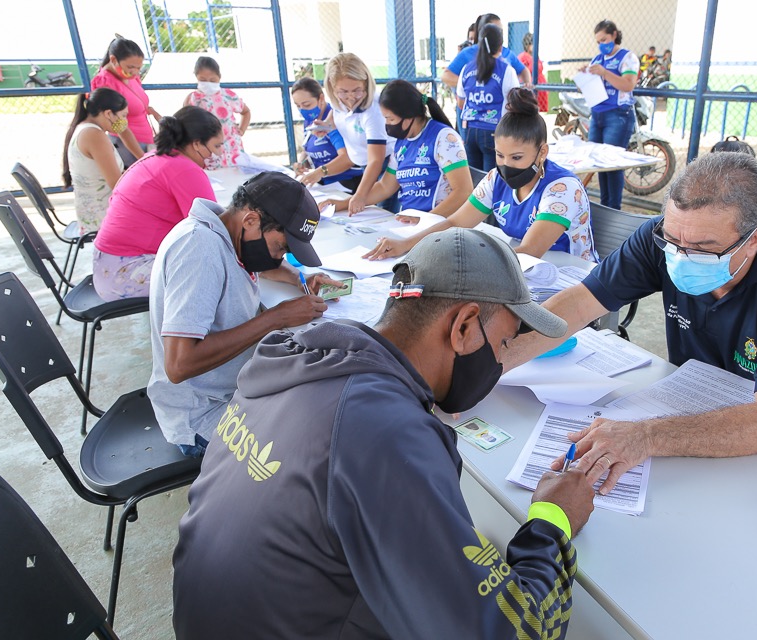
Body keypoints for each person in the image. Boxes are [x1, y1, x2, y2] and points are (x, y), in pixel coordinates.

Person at [172, 227, 596, 639]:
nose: (502, 358)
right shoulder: (385, 433)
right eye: (505, 343)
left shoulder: (291, 358)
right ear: (464, 326)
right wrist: (553, 517)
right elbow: (513, 629)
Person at [503, 152, 757, 494]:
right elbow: (576, 305)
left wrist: (645, 435)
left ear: (755, 239)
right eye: (673, 241)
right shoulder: (661, 236)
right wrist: (486, 365)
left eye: (703, 249)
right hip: (695, 404)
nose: (681, 255)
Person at [149, 172, 342, 456]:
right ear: (251, 220)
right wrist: (275, 318)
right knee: (317, 444)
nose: (278, 257)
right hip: (204, 413)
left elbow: (256, 261)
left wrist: (301, 278)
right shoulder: (198, 249)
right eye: (281, 248)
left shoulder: (226, 232)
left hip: (232, 389)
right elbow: (179, 364)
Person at [366, 89, 595, 262]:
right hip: (523, 271)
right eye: (499, 155)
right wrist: (405, 245)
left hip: (570, 279)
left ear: (542, 152)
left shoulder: (562, 189)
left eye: (516, 158)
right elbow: (456, 222)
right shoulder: (496, 179)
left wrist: (468, 266)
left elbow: (529, 252)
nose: (505, 165)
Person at [92, 106, 223, 301]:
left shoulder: (157, 157)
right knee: (219, 273)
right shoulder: (184, 169)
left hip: (108, 267)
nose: (219, 154)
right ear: (197, 144)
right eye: (217, 146)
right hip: (126, 273)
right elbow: (216, 230)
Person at [326, 80, 472, 215]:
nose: (387, 124)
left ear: (408, 117)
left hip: (437, 227)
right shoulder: (402, 142)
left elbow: (463, 191)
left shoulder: (444, 137)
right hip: (409, 222)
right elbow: (385, 186)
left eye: (391, 119)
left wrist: (427, 221)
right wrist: (345, 203)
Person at [322, 52, 395, 215]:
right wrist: (326, 126)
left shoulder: (373, 110)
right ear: (332, 88)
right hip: (366, 165)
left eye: (357, 90)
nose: (350, 97)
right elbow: (336, 115)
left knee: (382, 214)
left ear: (366, 83)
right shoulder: (338, 103)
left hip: (386, 164)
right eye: (343, 92)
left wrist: (360, 195)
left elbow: (376, 159)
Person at [581, 20, 638, 210]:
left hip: (618, 115)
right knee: (599, 164)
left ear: (614, 35)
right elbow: (588, 86)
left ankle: (613, 208)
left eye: (604, 39)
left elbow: (628, 85)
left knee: (612, 165)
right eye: (598, 41)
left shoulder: (627, 57)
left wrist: (605, 73)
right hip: (597, 115)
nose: (601, 44)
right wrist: (584, 75)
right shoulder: (597, 59)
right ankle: (605, 206)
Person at [61, 88, 126, 234]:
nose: (124, 121)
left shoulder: (85, 128)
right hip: (102, 217)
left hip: (92, 213)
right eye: (123, 115)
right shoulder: (94, 135)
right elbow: (117, 184)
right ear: (108, 113)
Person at [90, 37, 161, 167]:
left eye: (138, 68)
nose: (134, 72)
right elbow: (119, 126)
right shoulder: (105, 83)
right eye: (130, 67)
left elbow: (140, 103)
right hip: (128, 148)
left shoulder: (130, 76)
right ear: (113, 60)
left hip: (145, 143)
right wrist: (142, 158)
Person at [457, 23, 519, 171]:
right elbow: (515, 104)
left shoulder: (466, 69)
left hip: (469, 132)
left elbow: (460, 102)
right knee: (490, 181)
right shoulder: (506, 70)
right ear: (500, 45)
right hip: (494, 131)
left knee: (474, 180)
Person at [289, 77, 362, 191]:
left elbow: (346, 158)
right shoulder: (309, 121)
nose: (302, 110)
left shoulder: (333, 119)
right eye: (298, 106)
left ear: (321, 98)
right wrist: (301, 164)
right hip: (325, 183)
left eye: (307, 104)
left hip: (347, 183)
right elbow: (307, 150)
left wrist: (320, 172)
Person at [183, 56, 251, 168]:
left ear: (219, 77)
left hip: (232, 148)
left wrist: (242, 129)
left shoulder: (228, 95)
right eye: (203, 80)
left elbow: (246, 111)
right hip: (207, 150)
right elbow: (186, 123)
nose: (208, 83)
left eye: (213, 80)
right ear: (196, 77)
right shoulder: (193, 99)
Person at [441, 13, 531, 89]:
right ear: (483, 32)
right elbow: (446, 76)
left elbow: (523, 70)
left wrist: (527, 83)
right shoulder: (468, 53)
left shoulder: (506, 53)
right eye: (496, 30)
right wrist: (471, 84)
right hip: (473, 107)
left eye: (501, 31)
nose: (499, 34)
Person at [518, 32, 548, 112]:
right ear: (527, 45)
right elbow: (524, 71)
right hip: (531, 88)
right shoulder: (523, 57)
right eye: (532, 44)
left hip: (540, 89)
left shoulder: (536, 56)